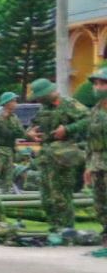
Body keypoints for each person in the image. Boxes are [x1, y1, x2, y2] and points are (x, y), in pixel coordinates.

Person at [26, 78, 91, 231]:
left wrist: (67, 129)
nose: (39, 100)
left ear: (49, 93)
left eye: (41, 97)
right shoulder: (43, 109)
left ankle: (67, 229)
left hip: (65, 156)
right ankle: (55, 227)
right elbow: (32, 125)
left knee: (62, 196)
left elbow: (88, 119)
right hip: (47, 158)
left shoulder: (69, 104)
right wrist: (29, 133)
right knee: (46, 198)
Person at [74, 66, 107, 226]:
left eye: (102, 84)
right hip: (98, 164)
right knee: (100, 203)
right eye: (96, 84)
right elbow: (90, 142)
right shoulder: (95, 111)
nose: (98, 88)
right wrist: (88, 166)